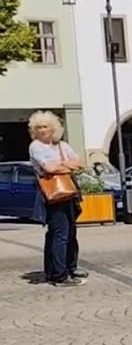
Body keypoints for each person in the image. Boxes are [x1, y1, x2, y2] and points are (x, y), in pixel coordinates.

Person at [28, 111, 86, 287]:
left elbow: (79, 163)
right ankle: (58, 275)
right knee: (59, 233)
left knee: (70, 232)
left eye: (45, 126)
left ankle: (67, 267)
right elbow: (49, 168)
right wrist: (67, 166)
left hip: (69, 192)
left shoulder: (62, 145)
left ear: (54, 128)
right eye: (38, 127)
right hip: (53, 194)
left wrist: (60, 165)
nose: (42, 130)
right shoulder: (36, 146)